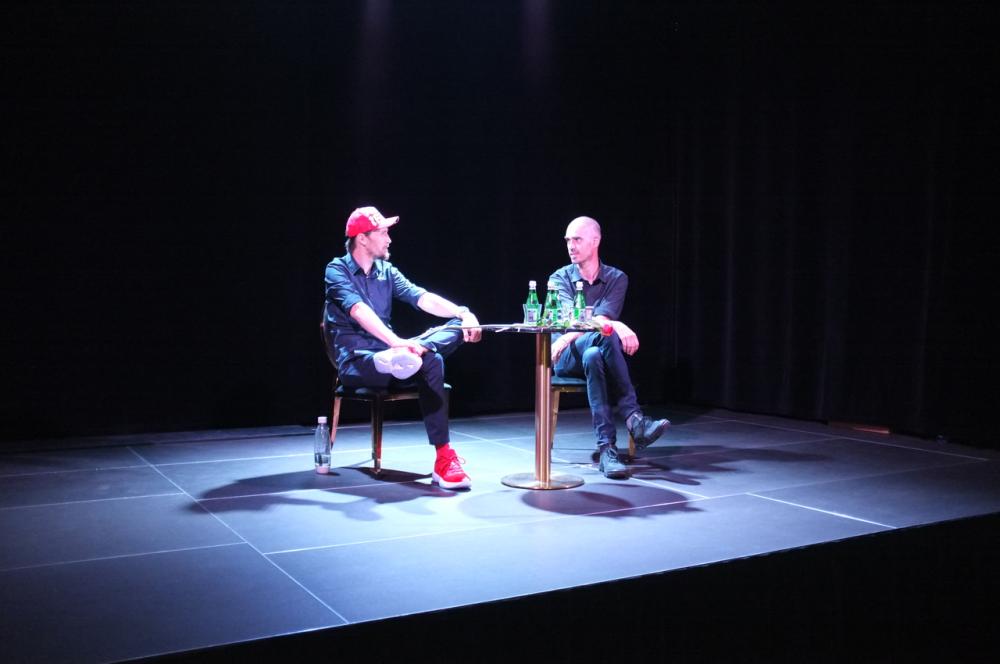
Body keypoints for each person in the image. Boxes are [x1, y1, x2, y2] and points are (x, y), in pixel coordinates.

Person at [324, 206, 482, 490]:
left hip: (396, 356)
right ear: (363, 238)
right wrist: (395, 342)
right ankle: (399, 356)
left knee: (439, 350)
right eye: (383, 233)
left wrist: (463, 312)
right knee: (418, 357)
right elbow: (358, 310)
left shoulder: (386, 271)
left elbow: (421, 297)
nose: (389, 239)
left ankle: (443, 459)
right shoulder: (337, 270)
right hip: (358, 363)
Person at [549, 216, 670, 479]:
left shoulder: (616, 278)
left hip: (594, 353)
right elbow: (575, 320)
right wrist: (614, 326)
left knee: (594, 354)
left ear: (596, 241)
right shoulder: (559, 278)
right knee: (606, 335)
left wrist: (607, 324)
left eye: (577, 239)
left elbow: (600, 319)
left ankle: (608, 451)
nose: (571, 245)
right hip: (566, 356)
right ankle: (634, 420)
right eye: (568, 240)